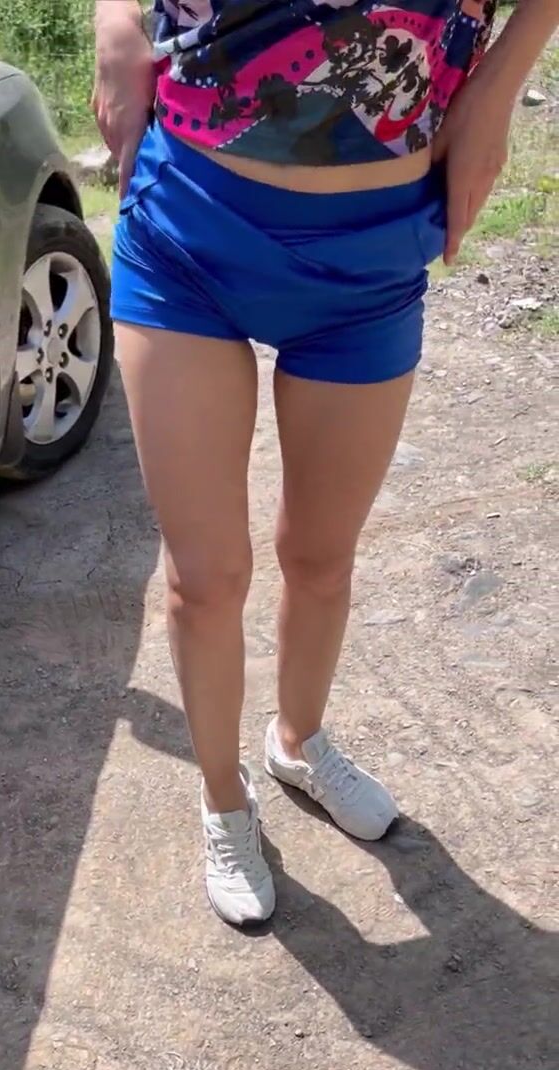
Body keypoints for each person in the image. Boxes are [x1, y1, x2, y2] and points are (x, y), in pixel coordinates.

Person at [94, 0, 558, 927]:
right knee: (204, 578)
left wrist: (503, 78)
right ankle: (224, 799)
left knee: (320, 556)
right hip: (188, 223)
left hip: (376, 250)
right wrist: (112, 18)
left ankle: (298, 741)